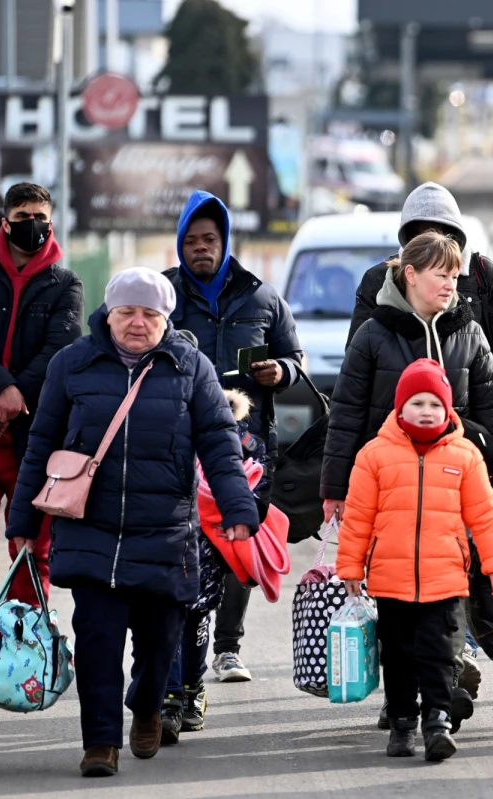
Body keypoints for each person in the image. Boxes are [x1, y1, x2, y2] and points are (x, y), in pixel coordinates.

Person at [4, 268, 259, 777]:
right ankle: (100, 742)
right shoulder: (72, 364)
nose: (137, 324)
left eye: (150, 314)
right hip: (90, 526)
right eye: (127, 312)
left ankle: (146, 705)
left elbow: (219, 445)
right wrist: (24, 518)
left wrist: (238, 509)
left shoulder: (191, 367)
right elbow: (41, 443)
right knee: (97, 638)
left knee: (160, 636)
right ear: (108, 313)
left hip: (163, 530)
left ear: (167, 319)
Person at [322, 230, 493, 733]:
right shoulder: (374, 333)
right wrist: (335, 487)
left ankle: (440, 696)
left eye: (455, 274)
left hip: (455, 482)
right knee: (398, 605)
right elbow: (345, 412)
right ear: (410, 275)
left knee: (446, 597)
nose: (452, 283)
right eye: (441, 274)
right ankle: (403, 702)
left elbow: (491, 410)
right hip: (387, 490)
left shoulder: (468, 330)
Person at [336, 359, 493, 762]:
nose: (427, 410)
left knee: (439, 652)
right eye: (417, 402)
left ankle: (437, 722)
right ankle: (401, 721)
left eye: (435, 403)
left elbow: (483, 515)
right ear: (399, 408)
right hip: (390, 578)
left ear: (448, 409)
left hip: (446, 576)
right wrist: (350, 567)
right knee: (397, 654)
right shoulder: (374, 455)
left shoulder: (465, 455)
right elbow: (358, 516)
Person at [164, 190, 303, 684]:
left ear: (224, 243)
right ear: (180, 245)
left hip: (246, 444)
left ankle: (228, 648)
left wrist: (279, 372)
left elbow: (296, 361)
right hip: (178, 443)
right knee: (187, 544)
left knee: (238, 538)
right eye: (192, 241)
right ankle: (183, 656)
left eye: (210, 240)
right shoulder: (163, 297)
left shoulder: (263, 297)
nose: (201, 248)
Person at [0, 183, 82, 687]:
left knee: (31, 546)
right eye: (24, 214)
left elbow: (60, 350)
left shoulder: (65, 283)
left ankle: (25, 643)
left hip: (36, 440)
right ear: (5, 222)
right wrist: (0, 392)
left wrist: (14, 400)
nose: (34, 222)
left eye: (41, 215)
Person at [345, 182, 493, 473]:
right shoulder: (380, 280)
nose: (433, 242)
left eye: (442, 233)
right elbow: (356, 375)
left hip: (466, 445)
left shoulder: (484, 276)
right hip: (391, 445)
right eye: (422, 234)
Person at [160, 388, 265, 745]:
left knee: (196, 620)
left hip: (207, 549)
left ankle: (192, 688)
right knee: (166, 619)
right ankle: (170, 697)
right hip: (164, 541)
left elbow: (256, 478)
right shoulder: (160, 425)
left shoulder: (236, 437)